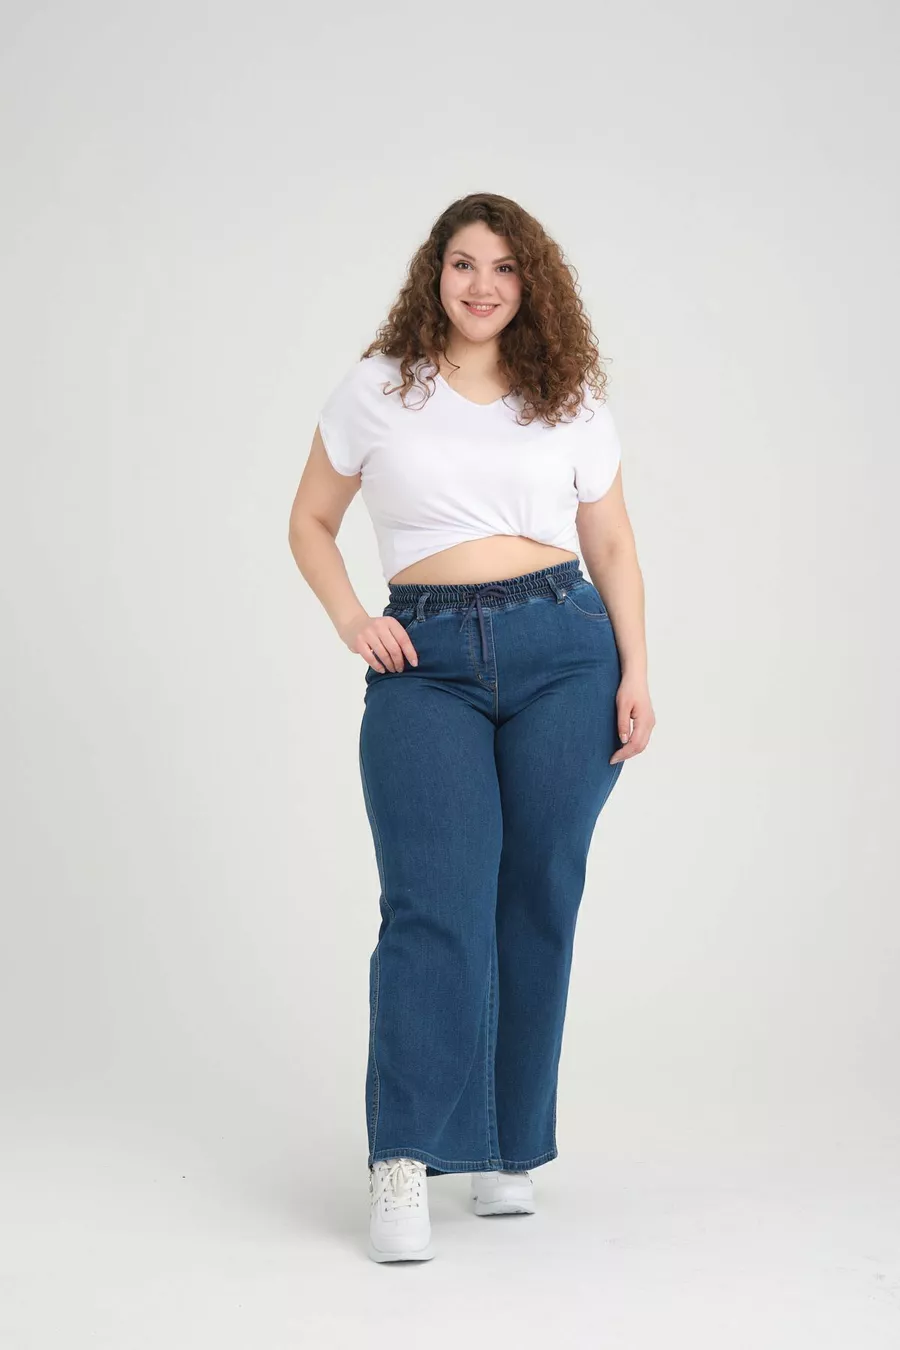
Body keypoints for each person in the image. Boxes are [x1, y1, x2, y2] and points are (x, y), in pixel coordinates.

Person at [287, 192, 655, 1263]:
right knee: (432, 904)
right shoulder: (378, 387)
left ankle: (506, 1149)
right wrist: (353, 620)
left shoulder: (567, 394)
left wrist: (637, 669)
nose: (482, 284)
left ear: (529, 281)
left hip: (565, 651)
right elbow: (310, 520)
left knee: (536, 893)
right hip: (426, 660)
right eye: (462, 264)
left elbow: (613, 544)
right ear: (434, 275)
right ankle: (403, 1158)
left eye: (502, 266)